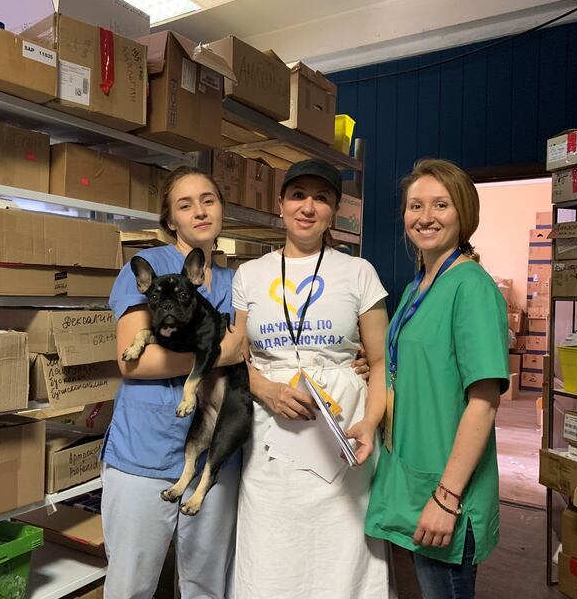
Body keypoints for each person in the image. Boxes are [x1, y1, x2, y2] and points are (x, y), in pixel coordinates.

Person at [231, 158, 391, 598]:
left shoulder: (359, 273)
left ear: (334, 211)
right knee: (269, 546)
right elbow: (234, 357)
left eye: (321, 198)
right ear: (280, 204)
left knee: (342, 548)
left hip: (343, 427)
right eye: (298, 195)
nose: (308, 206)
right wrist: (263, 387)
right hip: (269, 427)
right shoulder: (250, 274)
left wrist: (371, 424)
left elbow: (380, 362)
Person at [364, 158, 509, 599]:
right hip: (413, 480)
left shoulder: (471, 287)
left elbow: (483, 401)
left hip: (447, 491)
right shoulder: (417, 287)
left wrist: (446, 498)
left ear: (463, 213)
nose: (425, 217)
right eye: (415, 206)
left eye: (440, 205)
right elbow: (422, 359)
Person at [100, 166, 245, 599]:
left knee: (206, 584)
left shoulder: (239, 283)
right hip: (145, 451)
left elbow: (260, 351)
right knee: (132, 586)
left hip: (215, 459)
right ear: (170, 221)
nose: (200, 211)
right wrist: (222, 353)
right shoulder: (148, 270)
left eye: (209, 200)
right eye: (185, 205)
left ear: (222, 209)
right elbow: (133, 363)